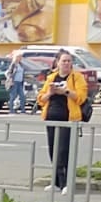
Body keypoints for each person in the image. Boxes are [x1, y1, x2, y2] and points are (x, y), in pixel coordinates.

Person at [37, 49, 87, 192]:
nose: (66, 63)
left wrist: (65, 91)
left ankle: (67, 183)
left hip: (68, 118)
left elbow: (81, 97)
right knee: (53, 150)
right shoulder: (51, 78)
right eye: (63, 61)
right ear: (57, 63)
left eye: (69, 61)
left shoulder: (76, 77)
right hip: (51, 117)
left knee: (64, 151)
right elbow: (40, 99)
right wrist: (50, 93)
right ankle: (56, 182)